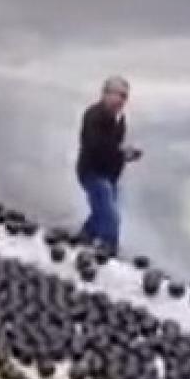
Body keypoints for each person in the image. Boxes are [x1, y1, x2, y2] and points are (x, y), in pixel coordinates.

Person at [76, 76, 141, 254]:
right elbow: (95, 146)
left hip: (110, 175)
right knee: (111, 216)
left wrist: (126, 155)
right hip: (93, 172)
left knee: (101, 212)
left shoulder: (119, 120)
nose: (121, 100)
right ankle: (109, 250)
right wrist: (121, 153)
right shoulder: (94, 116)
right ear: (105, 94)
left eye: (125, 96)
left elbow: (113, 148)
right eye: (118, 95)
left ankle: (85, 236)